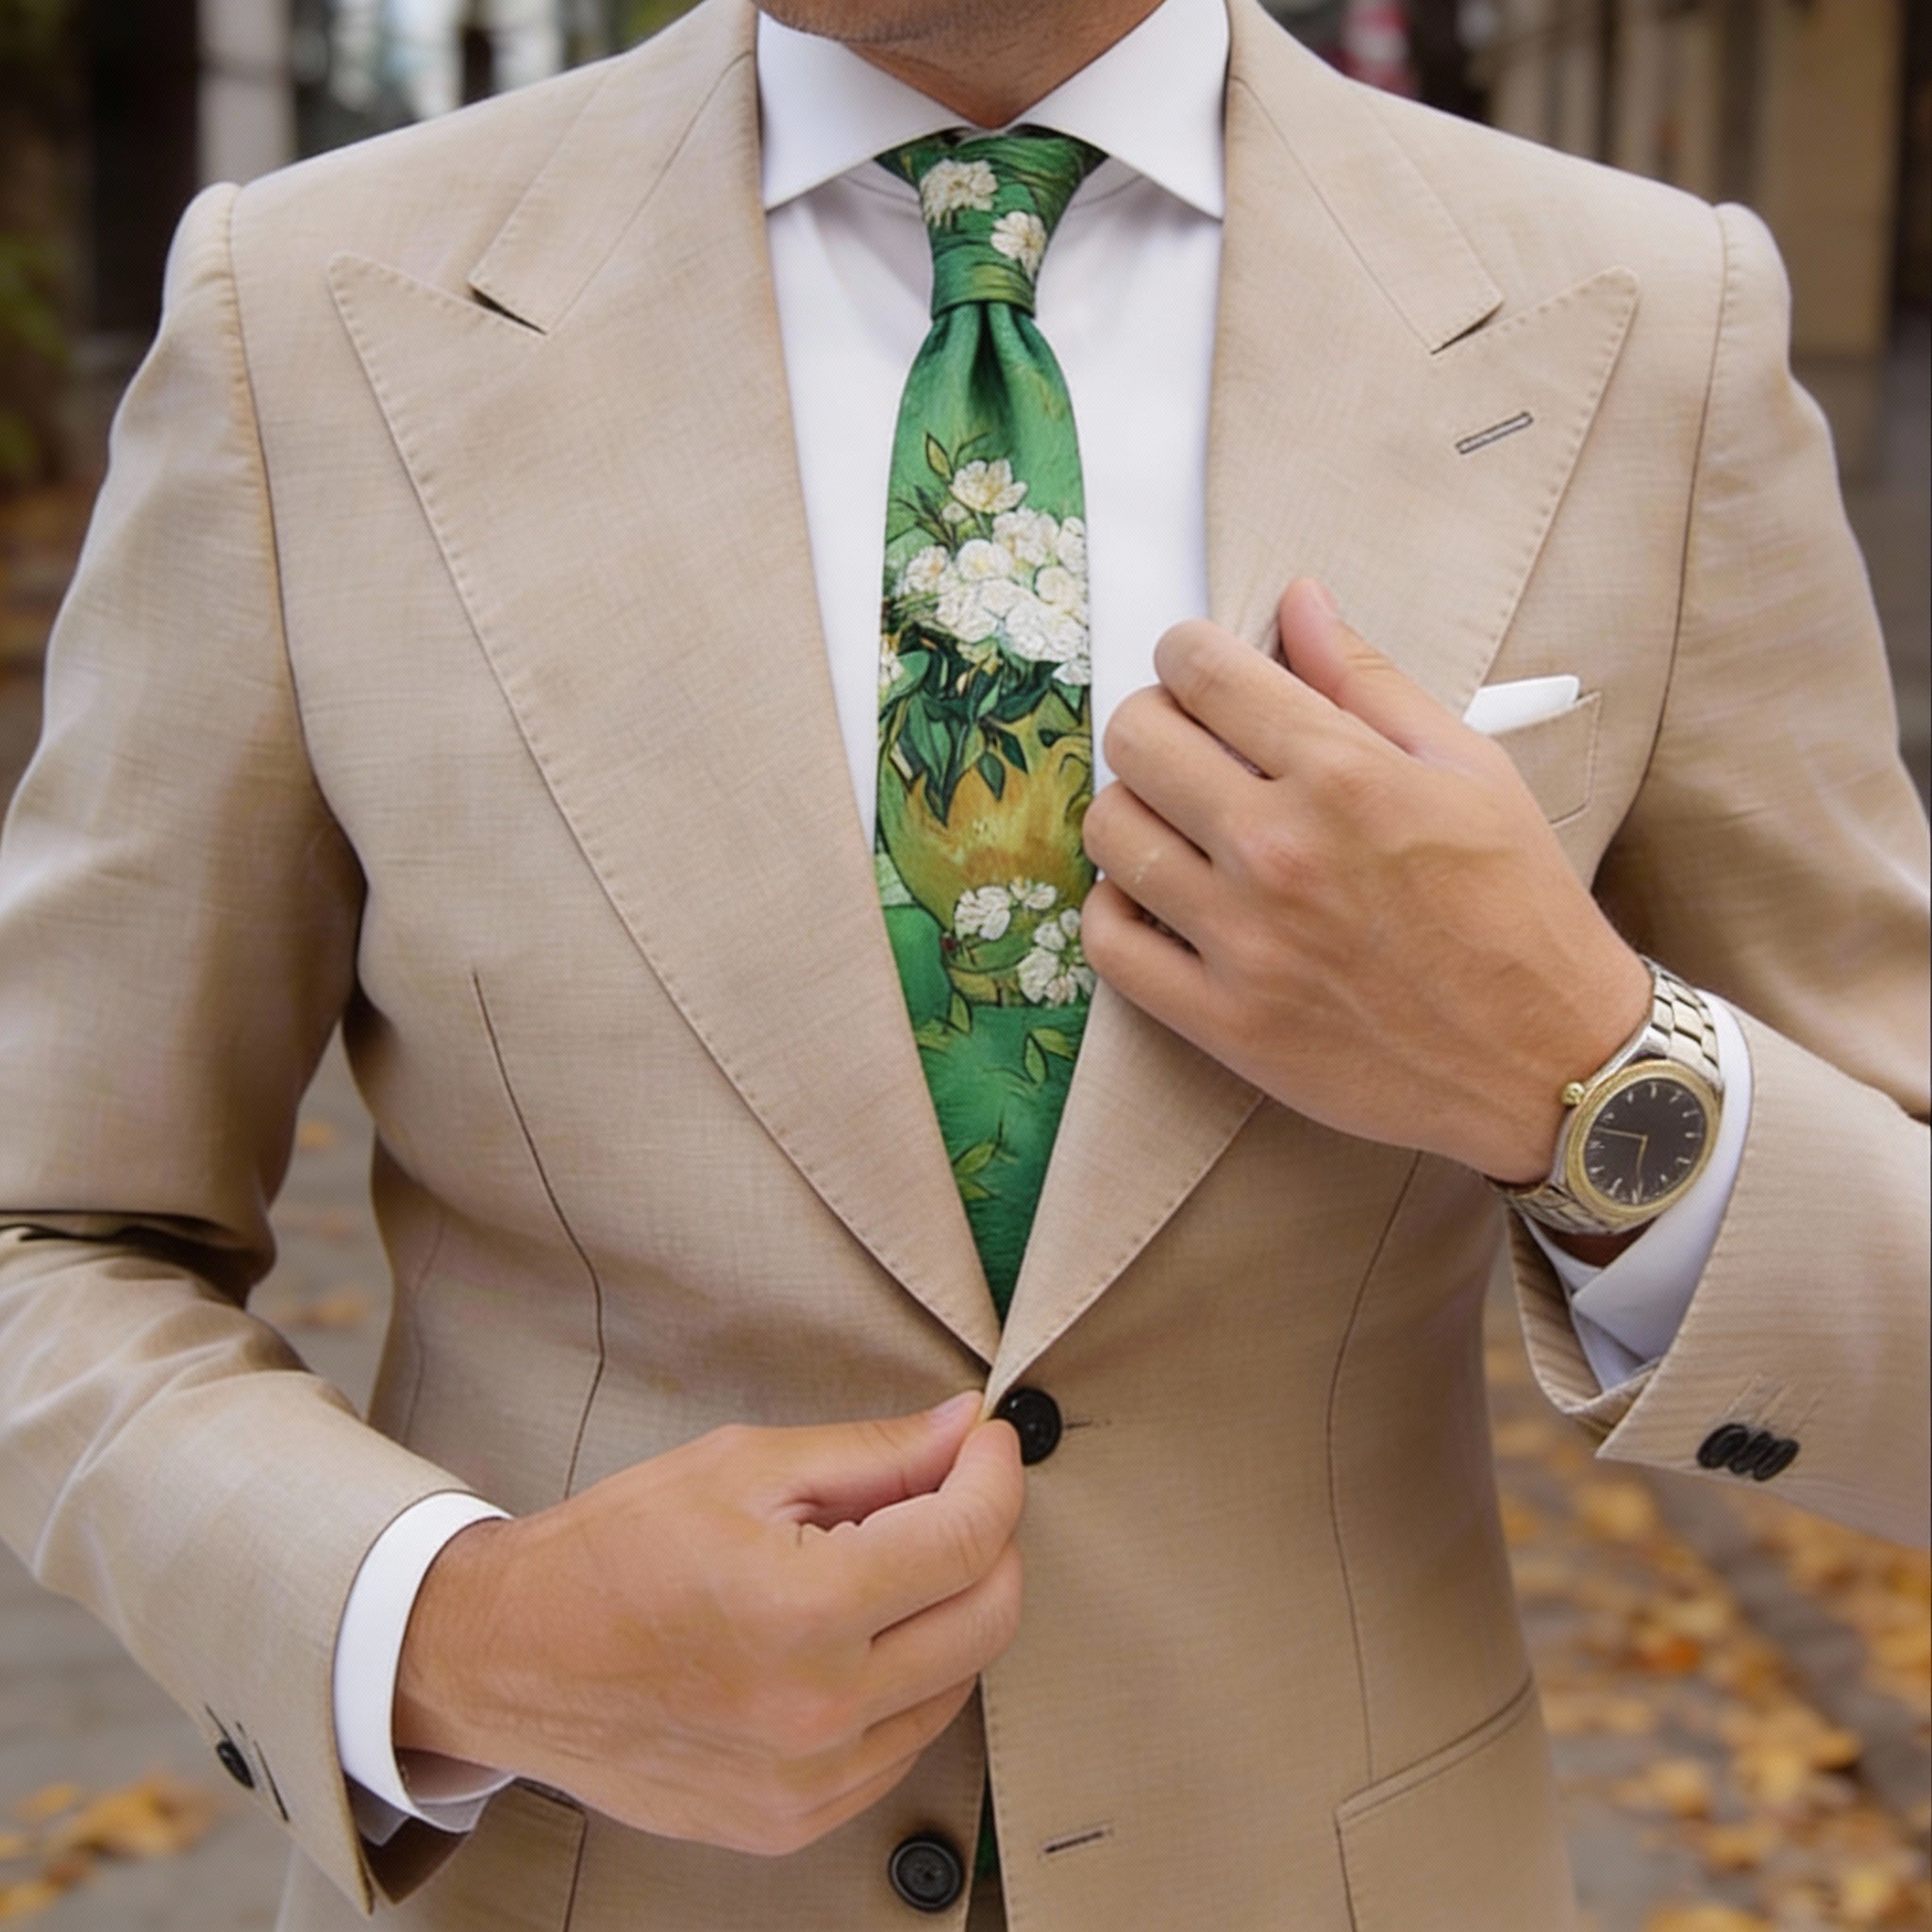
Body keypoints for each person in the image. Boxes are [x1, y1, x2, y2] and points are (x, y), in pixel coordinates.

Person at [0, 0, 1924, 1925]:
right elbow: (51, 1235)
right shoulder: (307, 312)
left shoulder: (1644, 321)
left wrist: (1579, 1070)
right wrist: (455, 1632)